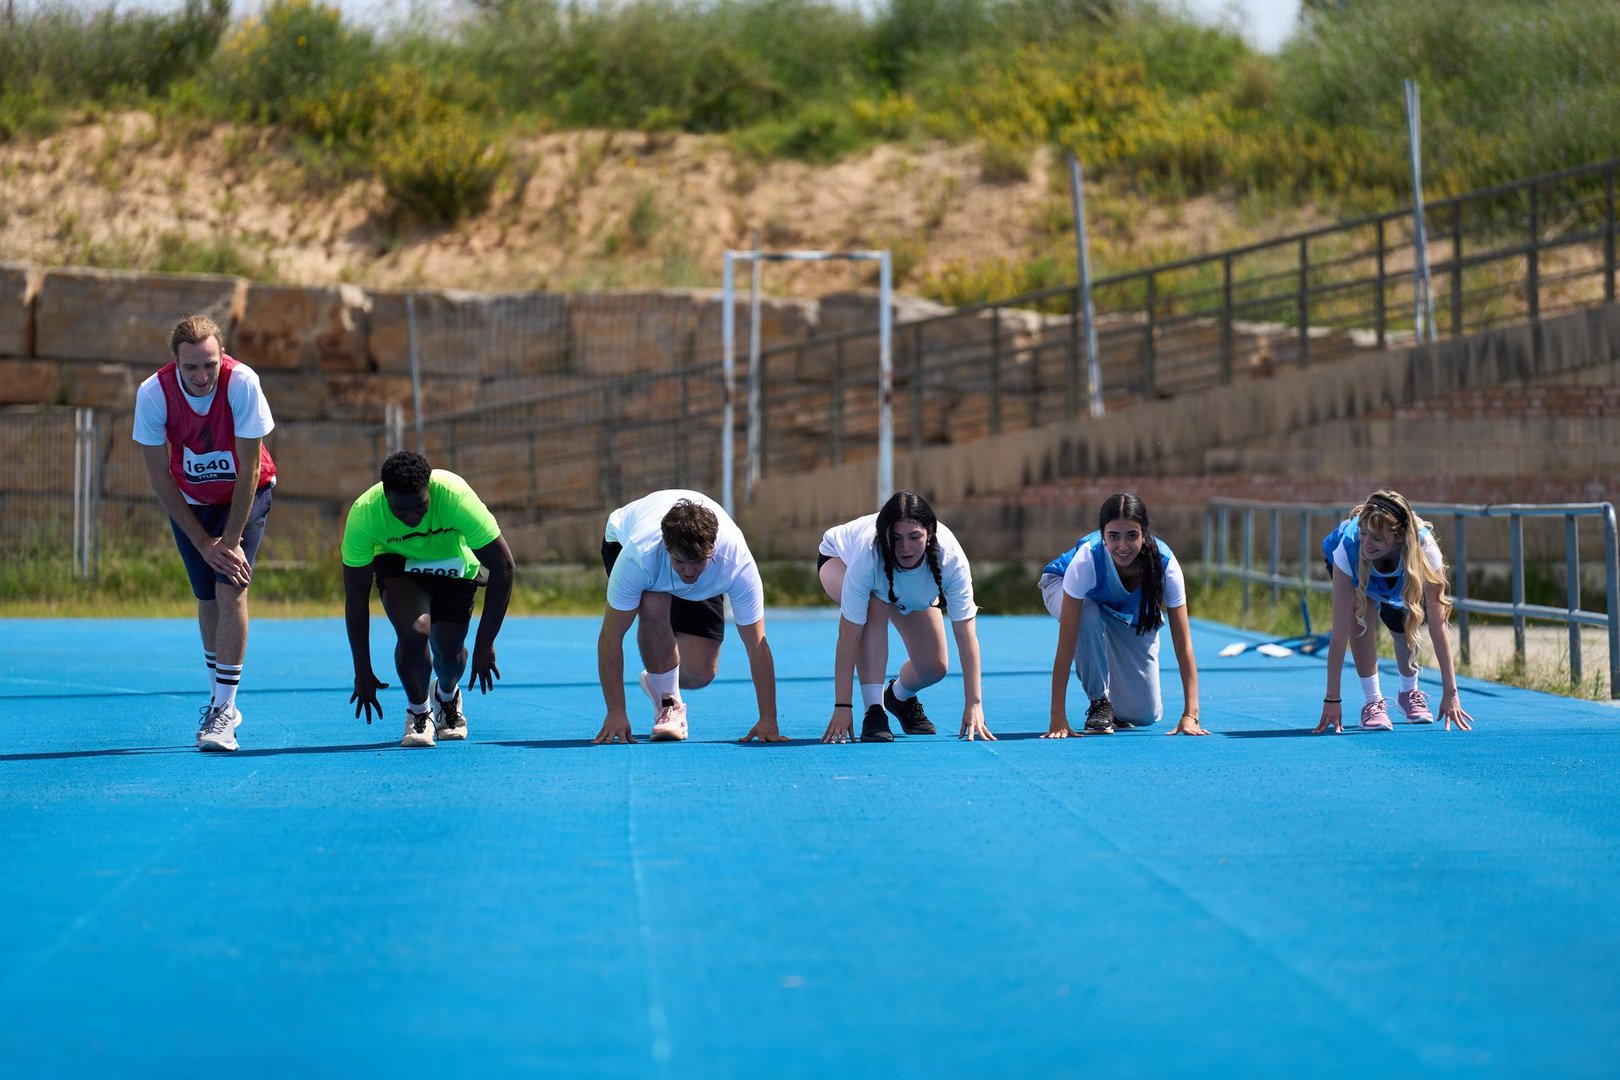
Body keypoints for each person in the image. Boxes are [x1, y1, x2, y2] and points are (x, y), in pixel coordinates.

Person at [133, 314, 277, 753]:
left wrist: (228, 543)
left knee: (230, 585)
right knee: (207, 596)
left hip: (246, 493)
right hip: (191, 501)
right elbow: (159, 476)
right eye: (190, 367)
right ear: (175, 361)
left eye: (209, 365)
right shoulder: (153, 393)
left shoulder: (242, 383)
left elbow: (249, 467)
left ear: (222, 357)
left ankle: (224, 712)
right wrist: (202, 541)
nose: (201, 376)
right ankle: (218, 698)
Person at [341, 451, 515, 748]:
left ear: (430, 491)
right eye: (400, 511)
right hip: (399, 565)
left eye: (420, 508)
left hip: (454, 567)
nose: (412, 519)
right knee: (415, 631)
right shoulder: (365, 514)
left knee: (450, 653)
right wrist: (362, 670)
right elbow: (356, 598)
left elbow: (504, 566)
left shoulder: (455, 497)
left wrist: (485, 642)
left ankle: (447, 695)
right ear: (386, 495)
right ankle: (419, 711)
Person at [593, 489, 783, 744]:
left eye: (698, 561)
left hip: (699, 569)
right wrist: (616, 712)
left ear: (712, 550)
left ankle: (656, 680)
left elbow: (758, 645)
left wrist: (768, 718)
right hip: (623, 543)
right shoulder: (639, 556)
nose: (689, 571)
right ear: (666, 547)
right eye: (681, 562)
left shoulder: (736, 564)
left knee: (700, 673)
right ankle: (668, 703)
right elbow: (610, 637)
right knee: (653, 600)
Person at [818, 491, 994, 743]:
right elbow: (848, 637)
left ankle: (897, 697)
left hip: (896, 585)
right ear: (884, 536)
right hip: (837, 560)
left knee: (934, 667)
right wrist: (842, 707)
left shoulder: (951, 560)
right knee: (875, 603)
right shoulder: (868, 557)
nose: (905, 547)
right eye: (896, 538)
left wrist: (974, 703)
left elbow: (966, 636)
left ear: (930, 532)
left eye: (914, 537)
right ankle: (874, 711)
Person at [1041, 493, 1206, 737]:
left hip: (1122, 612)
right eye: (1113, 536)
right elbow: (1066, 646)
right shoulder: (1086, 559)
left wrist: (1190, 715)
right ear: (1102, 535)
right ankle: (1099, 702)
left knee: (1144, 715)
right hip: (1063, 586)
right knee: (1088, 614)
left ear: (1145, 533)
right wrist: (1057, 716)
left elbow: (1184, 645)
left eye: (1132, 536)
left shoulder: (1165, 564)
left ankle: (1117, 709)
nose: (1122, 546)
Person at [1314, 490, 1473, 734]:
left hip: (1402, 567)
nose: (1367, 543)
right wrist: (1332, 699)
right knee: (1360, 614)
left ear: (1398, 537)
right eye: (1364, 533)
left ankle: (1409, 691)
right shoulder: (1349, 547)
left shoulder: (1425, 551)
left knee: (1405, 620)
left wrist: (1451, 693)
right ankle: (1372, 701)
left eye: (1376, 538)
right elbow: (1340, 633)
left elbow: (1437, 626)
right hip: (1356, 569)